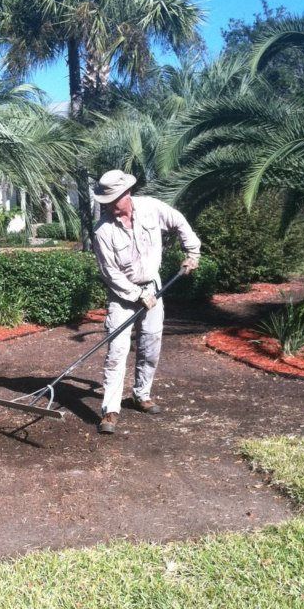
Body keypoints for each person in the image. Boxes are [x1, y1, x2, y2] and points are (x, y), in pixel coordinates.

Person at [92, 169, 201, 435]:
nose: (107, 206)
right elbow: (111, 273)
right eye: (104, 201)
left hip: (154, 288)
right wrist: (137, 295)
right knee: (117, 352)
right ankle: (110, 410)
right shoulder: (102, 231)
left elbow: (180, 222)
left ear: (126, 194)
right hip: (123, 296)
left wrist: (192, 252)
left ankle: (141, 394)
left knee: (150, 344)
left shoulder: (152, 208)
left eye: (112, 200)